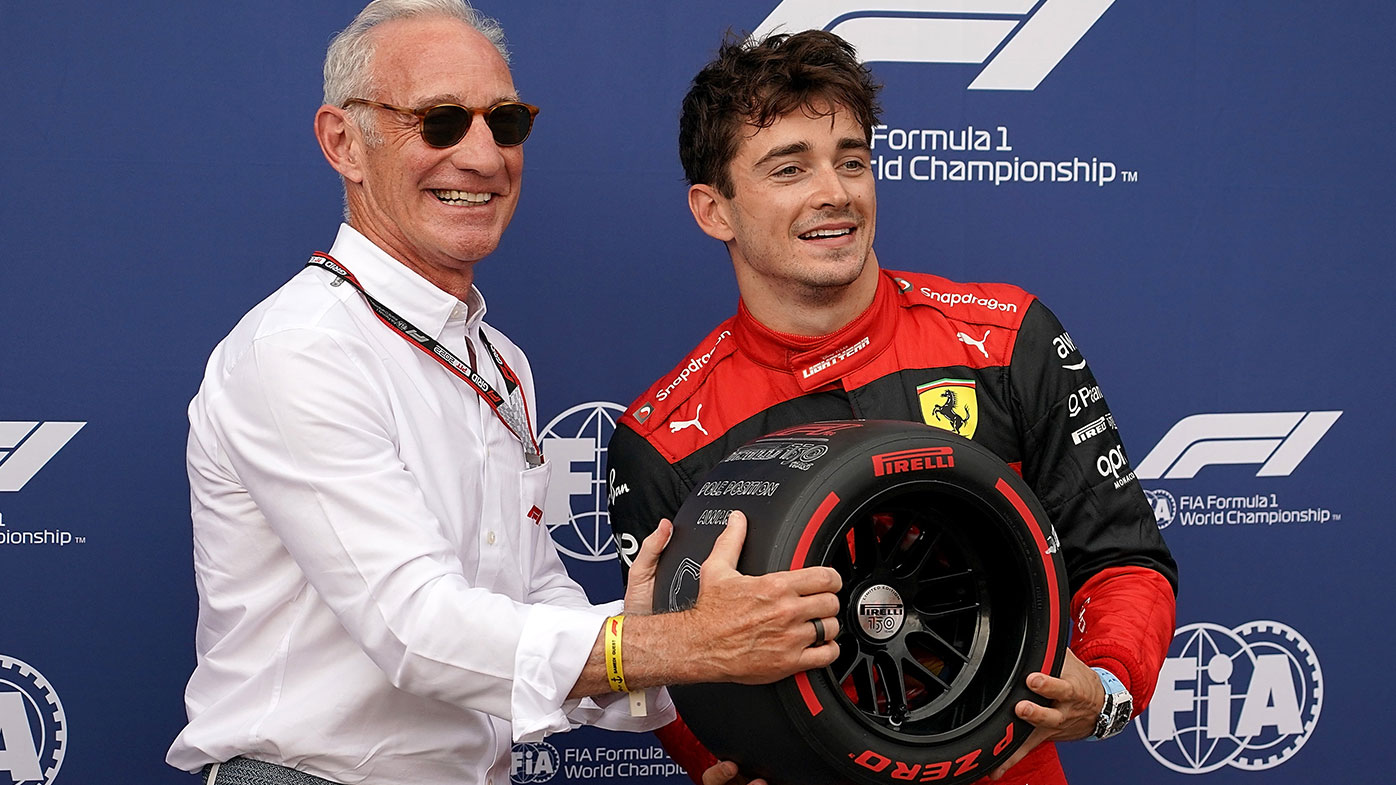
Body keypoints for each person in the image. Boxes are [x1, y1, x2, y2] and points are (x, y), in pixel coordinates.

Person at [165, 4, 843, 784]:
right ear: (344, 143)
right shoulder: (301, 349)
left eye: (506, 120)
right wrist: (686, 643)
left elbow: (529, 595)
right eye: (442, 121)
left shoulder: (497, 358)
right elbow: (417, 628)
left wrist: (660, 628)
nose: (484, 156)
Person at [606, 30, 1178, 785]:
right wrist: (726, 764)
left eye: (851, 160)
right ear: (715, 210)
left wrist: (1103, 689)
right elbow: (675, 674)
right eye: (790, 168)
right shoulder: (664, 438)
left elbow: (1122, 556)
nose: (835, 191)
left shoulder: (1005, 339)